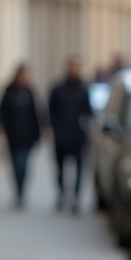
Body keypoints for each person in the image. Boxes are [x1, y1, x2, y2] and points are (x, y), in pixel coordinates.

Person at [48, 54, 93, 214]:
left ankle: (76, 199)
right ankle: (61, 194)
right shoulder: (58, 88)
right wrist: (51, 129)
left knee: (79, 170)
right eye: (73, 66)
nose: (75, 69)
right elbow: (50, 110)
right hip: (60, 136)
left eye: (77, 66)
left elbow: (89, 112)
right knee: (60, 169)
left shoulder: (83, 89)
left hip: (77, 137)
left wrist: (86, 127)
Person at [0, 63, 43, 208]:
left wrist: (43, 131)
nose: (25, 77)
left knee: (24, 166)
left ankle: (22, 193)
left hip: (28, 137)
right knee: (16, 166)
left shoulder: (31, 92)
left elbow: (38, 113)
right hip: (12, 136)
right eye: (23, 74)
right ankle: (18, 193)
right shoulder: (8, 92)